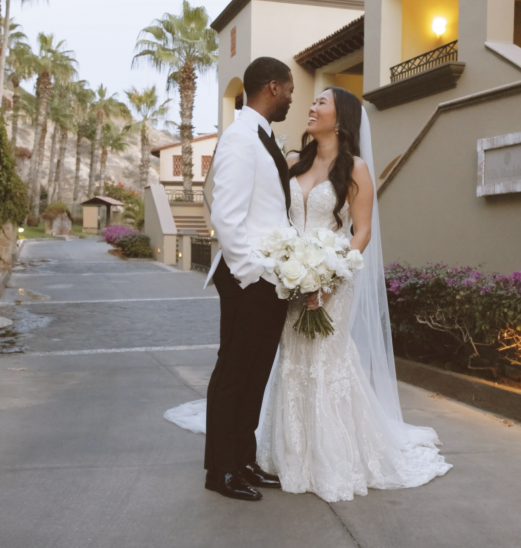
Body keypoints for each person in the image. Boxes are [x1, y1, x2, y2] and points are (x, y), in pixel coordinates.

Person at [165, 69, 451, 503]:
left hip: (327, 280)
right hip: (281, 278)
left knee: (319, 364)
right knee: (282, 366)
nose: (310, 106)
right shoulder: (291, 160)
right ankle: (274, 457)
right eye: (308, 99)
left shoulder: (355, 169)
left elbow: (361, 232)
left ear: (341, 120)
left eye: (321, 103)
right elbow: (256, 211)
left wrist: (330, 278)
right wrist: (272, 267)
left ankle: (320, 457)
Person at [198, 56, 295, 502]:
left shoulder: (264, 135)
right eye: (290, 89)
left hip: (268, 279)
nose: (293, 97)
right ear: (272, 87)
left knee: (255, 374)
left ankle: (243, 458)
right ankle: (220, 471)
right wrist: (252, 275)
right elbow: (227, 215)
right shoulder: (240, 137)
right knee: (235, 374)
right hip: (248, 280)